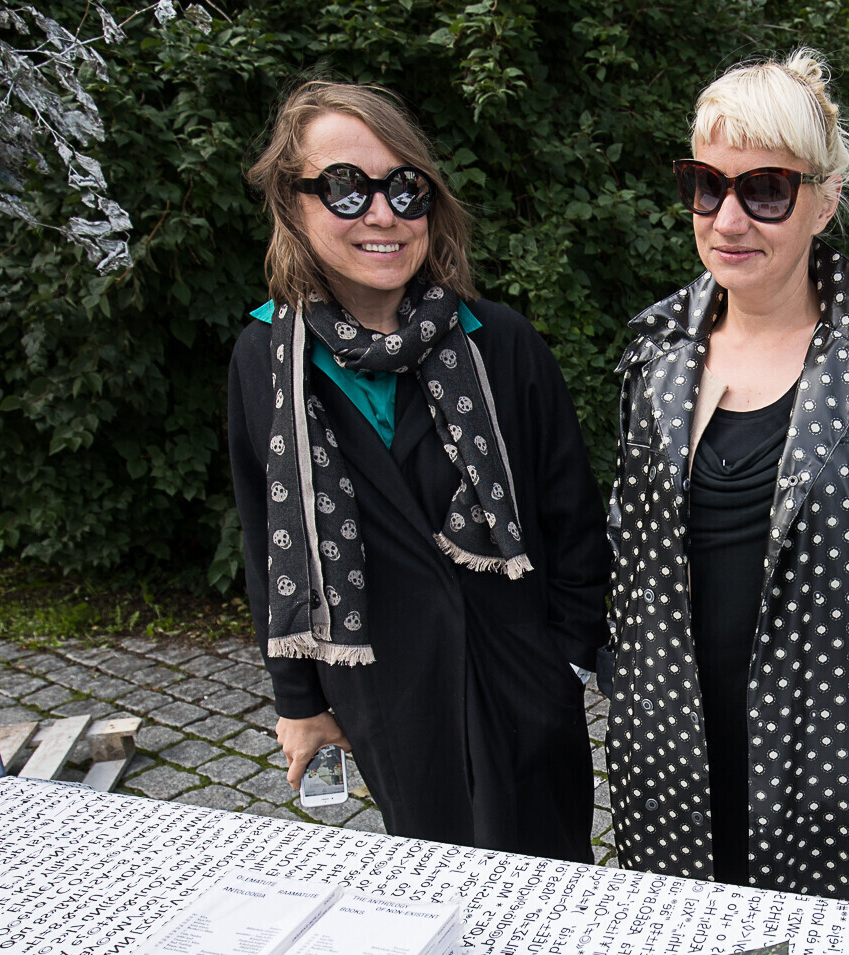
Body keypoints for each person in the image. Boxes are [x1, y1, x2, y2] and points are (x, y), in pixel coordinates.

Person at [603, 51, 849, 904]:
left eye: (764, 190)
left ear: (824, 200)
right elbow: (630, 527)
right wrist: (622, 663)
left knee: (820, 945)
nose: (729, 218)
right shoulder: (656, 354)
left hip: (833, 723)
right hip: (671, 715)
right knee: (685, 927)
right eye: (706, 186)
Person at [227, 81, 609, 858]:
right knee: (439, 890)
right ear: (293, 202)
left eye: (406, 188)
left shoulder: (499, 342)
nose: (383, 213)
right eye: (346, 188)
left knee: (556, 889)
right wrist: (299, 699)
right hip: (389, 696)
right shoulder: (267, 359)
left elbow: (573, 517)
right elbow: (269, 536)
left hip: (523, 687)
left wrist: (564, 663)